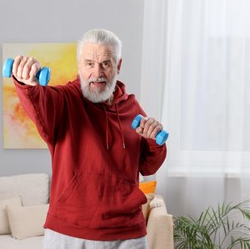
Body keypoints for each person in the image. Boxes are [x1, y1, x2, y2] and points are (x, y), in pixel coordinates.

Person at [11, 29, 167, 249]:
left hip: (127, 233)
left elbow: (148, 166)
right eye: (89, 64)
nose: (97, 72)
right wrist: (26, 84)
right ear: (79, 66)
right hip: (69, 232)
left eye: (105, 63)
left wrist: (154, 141)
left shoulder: (132, 108)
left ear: (118, 66)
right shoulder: (65, 99)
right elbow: (41, 103)